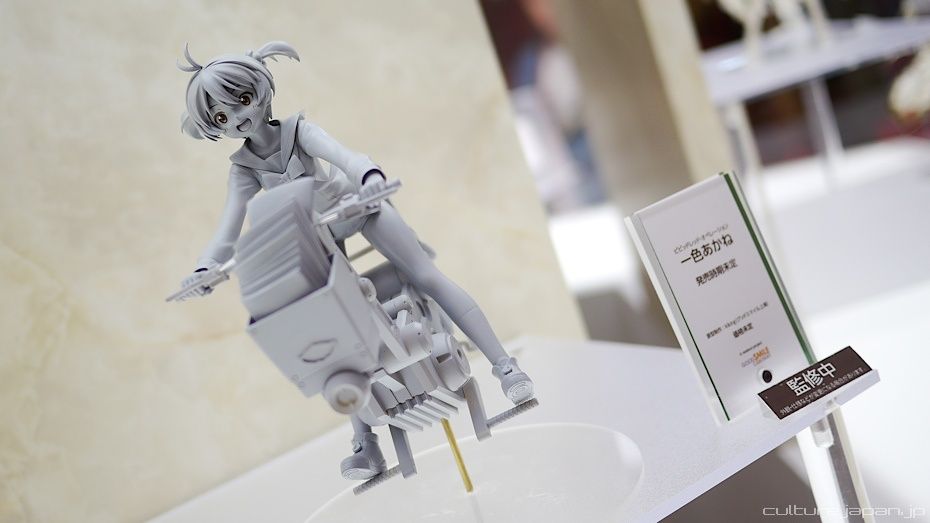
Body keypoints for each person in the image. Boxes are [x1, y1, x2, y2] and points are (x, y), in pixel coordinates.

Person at [176, 41, 534, 479]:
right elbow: (229, 224)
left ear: (260, 91)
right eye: (220, 118)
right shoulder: (244, 168)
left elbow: (345, 157)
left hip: (357, 207)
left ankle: (506, 368)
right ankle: (366, 443)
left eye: (241, 101)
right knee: (336, 329)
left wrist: (369, 178)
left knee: (426, 276)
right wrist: (205, 268)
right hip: (319, 236)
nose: (236, 118)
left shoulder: (299, 130)